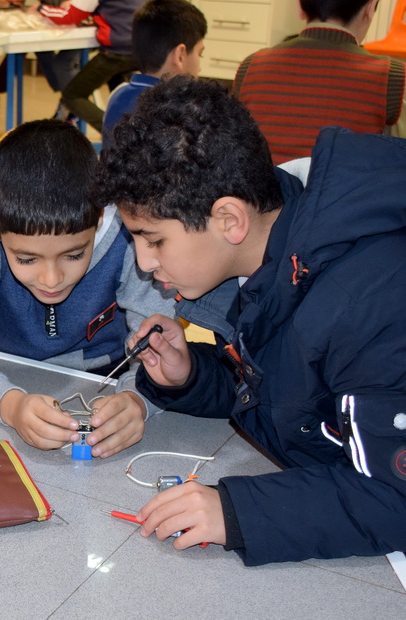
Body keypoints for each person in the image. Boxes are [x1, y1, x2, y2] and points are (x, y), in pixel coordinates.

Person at [93, 76, 406, 564]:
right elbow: (288, 397)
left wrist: (236, 511)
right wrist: (190, 376)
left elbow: (394, 497)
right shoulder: (267, 255)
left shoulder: (371, 302)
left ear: (229, 220)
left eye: (154, 240)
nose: (144, 263)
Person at [0, 119, 175, 455]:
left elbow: (163, 347)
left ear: (100, 217)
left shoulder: (129, 234)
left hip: (104, 382)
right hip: (2, 376)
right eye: (27, 259)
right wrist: (10, 405)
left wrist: (139, 398)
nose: (52, 279)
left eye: (74, 254)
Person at [233, 0, 405, 165]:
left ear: (299, 6)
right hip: (341, 193)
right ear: (370, 7)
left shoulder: (251, 66)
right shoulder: (391, 76)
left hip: (261, 193)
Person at [101, 0, 206, 143]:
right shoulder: (183, 110)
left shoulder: (116, 96)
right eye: (200, 54)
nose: (199, 67)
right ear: (180, 55)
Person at [35, 0, 147, 131]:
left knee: (72, 96)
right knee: (119, 89)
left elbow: (68, 17)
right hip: (142, 47)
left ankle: (115, 132)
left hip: (118, 52)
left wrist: (40, 8)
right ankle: (133, 130)